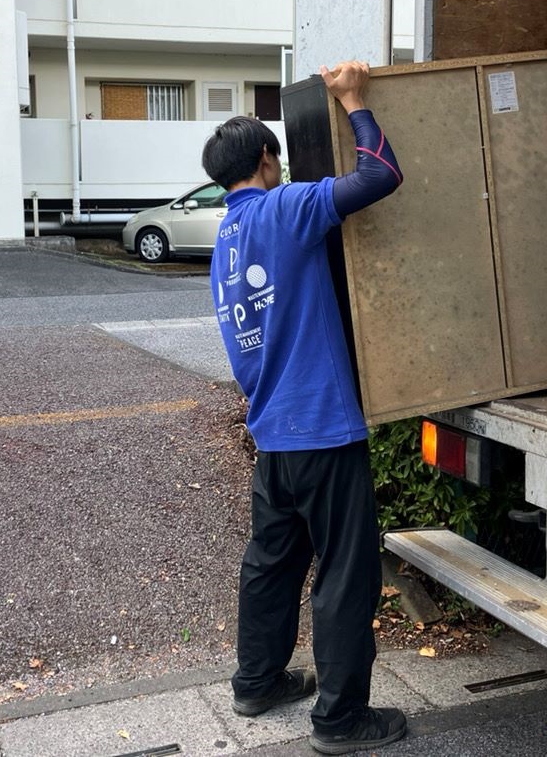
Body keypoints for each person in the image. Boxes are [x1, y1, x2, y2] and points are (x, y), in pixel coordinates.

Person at [202, 61, 406, 755]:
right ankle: (341, 720)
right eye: (278, 160)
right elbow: (380, 175)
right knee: (347, 573)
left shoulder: (224, 242)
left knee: (272, 562)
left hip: (274, 436)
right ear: (266, 160)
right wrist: (354, 102)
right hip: (321, 426)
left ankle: (257, 681)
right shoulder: (285, 211)